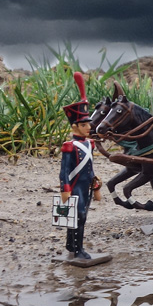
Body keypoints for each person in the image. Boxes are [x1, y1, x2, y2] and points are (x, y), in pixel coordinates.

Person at [59, 72, 100, 260]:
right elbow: (65, 170)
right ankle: (78, 248)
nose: (89, 127)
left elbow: (90, 168)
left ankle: (71, 244)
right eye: (85, 125)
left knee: (81, 216)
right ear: (75, 126)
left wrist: (96, 186)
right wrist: (65, 189)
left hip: (85, 186)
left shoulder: (89, 144)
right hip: (74, 186)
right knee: (78, 216)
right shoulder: (69, 146)